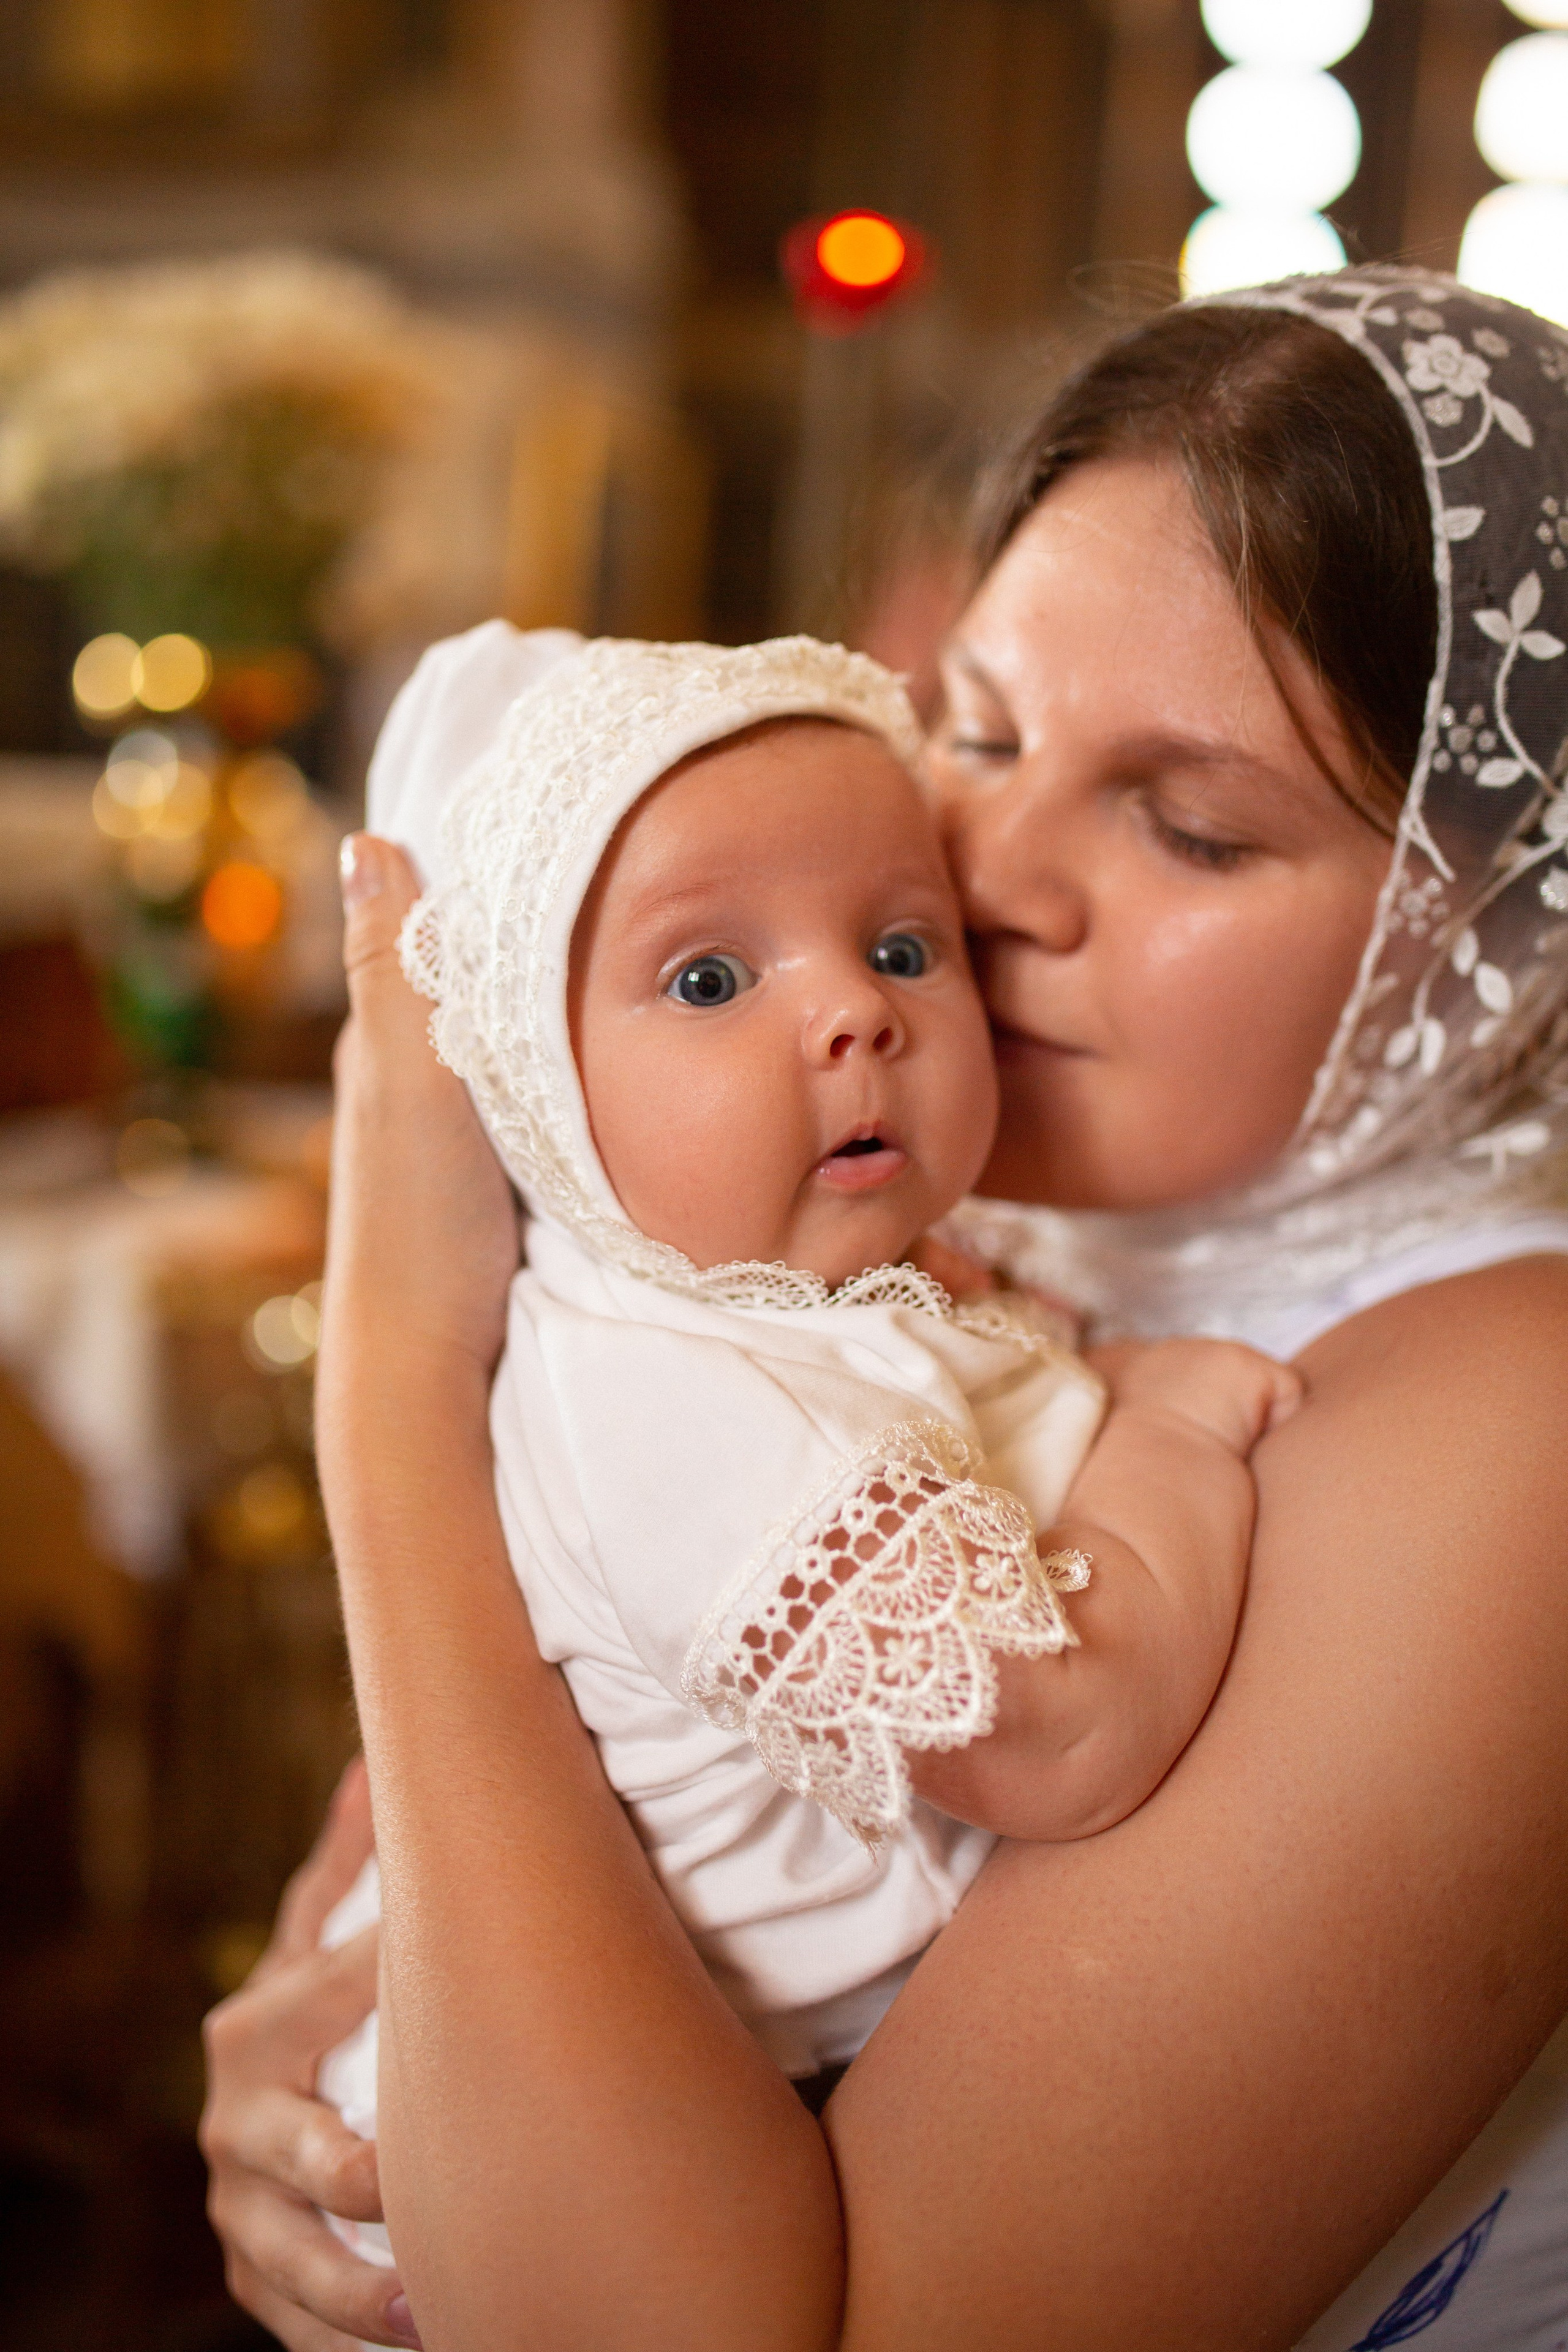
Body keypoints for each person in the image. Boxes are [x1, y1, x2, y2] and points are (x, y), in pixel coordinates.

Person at [201, 267, 1568, 2351]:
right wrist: (318, 2101)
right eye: (984, 728)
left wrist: (401, 1377)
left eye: (1191, 825)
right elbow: (443, 1903)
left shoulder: (1508, 1432)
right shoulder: (880, 1260)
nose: (992, 869)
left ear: (1500, 933)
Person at [314, 628, 1297, 2252]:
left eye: (908, 945)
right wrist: (1174, 1436)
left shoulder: (830, 1298)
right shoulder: (663, 1389)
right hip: (581, 2182)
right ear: (534, 1100)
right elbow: (1057, 1735)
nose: (855, 1008)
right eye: (708, 978)